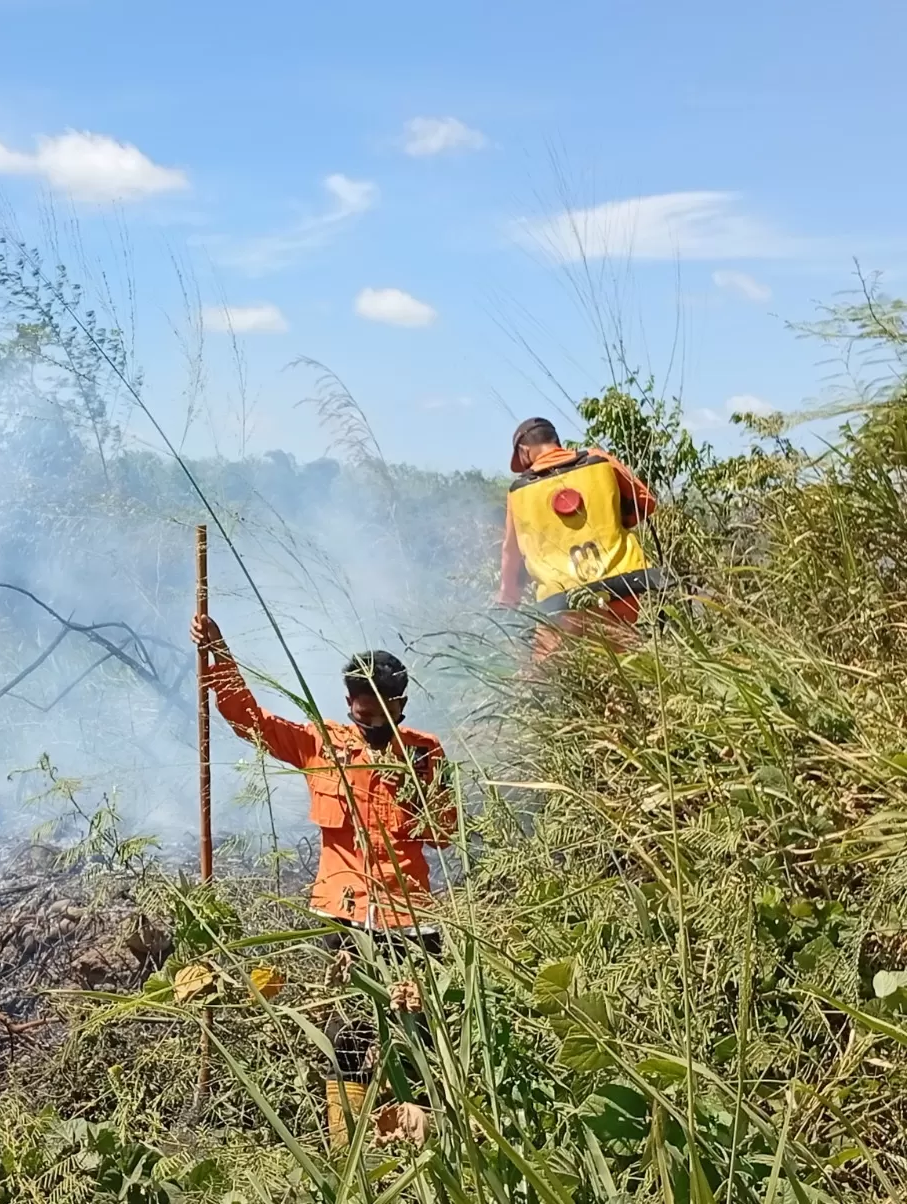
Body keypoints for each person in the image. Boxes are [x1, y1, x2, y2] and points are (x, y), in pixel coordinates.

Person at [189, 614, 454, 1144]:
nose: (363, 705)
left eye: (375, 696)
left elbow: (445, 834)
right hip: (346, 915)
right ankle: (349, 1149)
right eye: (357, 694)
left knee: (421, 1030)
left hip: (412, 917)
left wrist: (413, 794)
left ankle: (420, 1145)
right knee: (350, 1030)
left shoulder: (425, 754)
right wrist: (222, 655)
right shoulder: (324, 745)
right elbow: (251, 722)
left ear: (399, 702)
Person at [498, 417, 662, 659]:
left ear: (524, 451)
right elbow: (646, 503)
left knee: (541, 676)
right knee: (625, 665)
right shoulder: (600, 460)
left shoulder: (519, 491)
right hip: (622, 588)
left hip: (560, 601)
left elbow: (511, 553)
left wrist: (508, 596)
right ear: (556, 440)